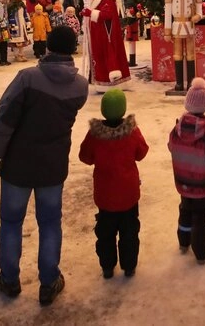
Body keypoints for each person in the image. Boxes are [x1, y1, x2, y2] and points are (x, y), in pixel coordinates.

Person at [0, 26, 87, 306]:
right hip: (53, 165)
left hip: (18, 164)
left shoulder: (27, 79)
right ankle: (49, 281)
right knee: (51, 222)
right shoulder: (80, 85)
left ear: (49, 47)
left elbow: (4, 122)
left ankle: (9, 278)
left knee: (11, 222)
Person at [78, 89, 149, 279]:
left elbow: (84, 156)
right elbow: (142, 153)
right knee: (130, 233)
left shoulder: (95, 135)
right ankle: (129, 266)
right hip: (129, 194)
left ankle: (107, 267)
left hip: (105, 195)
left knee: (105, 234)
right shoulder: (132, 132)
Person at [167, 78, 205, 264]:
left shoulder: (176, 128)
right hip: (202, 186)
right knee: (201, 218)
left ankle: (184, 241)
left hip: (183, 182)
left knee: (185, 211)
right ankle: (200, 252)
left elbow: (171, 147)